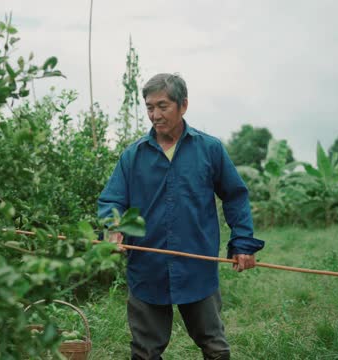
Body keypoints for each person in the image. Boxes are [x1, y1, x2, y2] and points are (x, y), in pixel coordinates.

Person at [97, 73, 264, 360]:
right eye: (149, 107)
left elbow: (235, 196)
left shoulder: (209, 149)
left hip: (196, 266)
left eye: (163, 106)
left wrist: (243, 243)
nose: (155, 115)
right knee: (145, 352)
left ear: (183, 105)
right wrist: (114, 227)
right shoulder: (133, 155)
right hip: (147, 267)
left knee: (214, 346)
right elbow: (112, 199)